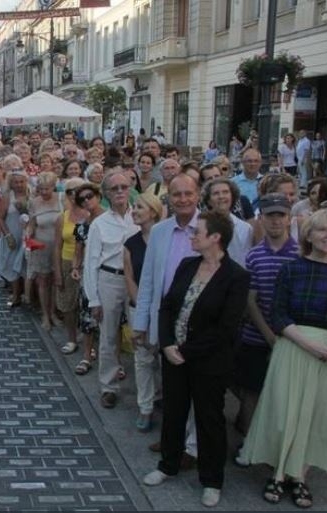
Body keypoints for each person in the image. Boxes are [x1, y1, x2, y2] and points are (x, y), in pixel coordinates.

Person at [142, 211, 250, 509]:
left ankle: (212, 479)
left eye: (197, 232)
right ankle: (168, 464)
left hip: (208, 362)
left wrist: (184, 351)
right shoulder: (188, 265)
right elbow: (167, 307)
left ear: (215, 238)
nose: (192, 236)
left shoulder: (236, 277)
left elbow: (226, 328)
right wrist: (166, 344)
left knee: (209, 419)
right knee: (174, 412)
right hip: (173, 355)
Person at [240, 208, 327, 508]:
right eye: (322, 230)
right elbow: (278, 314)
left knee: (314, 419)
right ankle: (278, 474)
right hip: (294, 348)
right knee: (285, 416)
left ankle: (299, 477)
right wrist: (311, 346)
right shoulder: (292, 268)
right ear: (308, 235)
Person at [132, 174, 203, 468]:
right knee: (171, 384)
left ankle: (193, 445)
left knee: (197, 385)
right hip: (166, 318)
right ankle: (172, 437)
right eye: (177, 195)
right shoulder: (160, 231)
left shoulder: (209, 228)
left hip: (200, 320)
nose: (183, 199)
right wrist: (141, 322)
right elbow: (148, 279)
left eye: (188, 194)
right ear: (168, 199)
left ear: (198, 195)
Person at [232, 194, 299, 438]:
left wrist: (283, 334)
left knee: (284, 395)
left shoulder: (299, 254)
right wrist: (268, 335)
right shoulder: (254, 255)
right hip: (256, 335)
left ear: (289, 219)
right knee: (251, 391)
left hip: (291, 337)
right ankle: (248, 443)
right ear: (261, 219)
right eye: (270, 215)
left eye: (280, 215)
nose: (275, 221)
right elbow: (250, 300)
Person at [82, 171, 139, 408]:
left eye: (123, 187)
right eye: (114, 188)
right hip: (110, 279)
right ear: (105, 193)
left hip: (136, 280)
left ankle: (147, 390)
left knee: (141, 335)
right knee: (108, 336)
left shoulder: (140, 216)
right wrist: (93, 299)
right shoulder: (99, 223)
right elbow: (90, 262)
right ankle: (109, 386)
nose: (119, 192)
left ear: (130, 189)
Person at [122, 192, 164, 432]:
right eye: (134, 207)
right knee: (142, 358)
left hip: (164, 307)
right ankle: (145, 407)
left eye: (139, 207)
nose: (134, 211)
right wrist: (142, 309)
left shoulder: (166, 239)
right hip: (138, 307)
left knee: (164, 357)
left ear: (154, 212)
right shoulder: (131, 243)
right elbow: (129, 276)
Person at [70, 183, 105, 376]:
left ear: (98, 196)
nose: (87, 201)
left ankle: (114, 362)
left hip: (108, 277)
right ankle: (86, 355)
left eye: (89, 196)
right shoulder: (83, 226)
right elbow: (78, 251)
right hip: (88, 277)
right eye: (82, 199)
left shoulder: (111, 220)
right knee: (87, 318)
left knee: (111, 321)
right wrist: (75, 268)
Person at [26, 172, 64, 330]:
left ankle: (53, 312)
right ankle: (45, 315)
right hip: (41, 245)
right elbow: (32, 224)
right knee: (43, 281)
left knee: (56, 280)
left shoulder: (61, 199)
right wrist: (28, 234)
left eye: (47, 189)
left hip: (58, 245)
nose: (43, 192)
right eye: (40, 189)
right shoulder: (34, 202)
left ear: (53, 187)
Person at [54, 177, 88, 355]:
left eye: (79, 190)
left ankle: (89, 341)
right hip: (67, 262)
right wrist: (58, 272)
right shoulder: (63, 217)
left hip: (87, 263)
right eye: (70, 191)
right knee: (68, 305)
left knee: (87, 305)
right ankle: (72, 338)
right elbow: (57, 246)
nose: (75, 194)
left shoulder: (92, 215)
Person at [0, 170, 29, 307]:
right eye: (16, 182)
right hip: (12, 233)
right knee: (11, 263)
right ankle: (15, 294)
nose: (19, 185)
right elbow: (0, 217)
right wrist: (7, 235)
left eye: (22, 182)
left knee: (26, 264)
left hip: (26, 234)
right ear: (11, 184)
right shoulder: (8, 196)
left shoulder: (31, 195)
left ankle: (27, 294)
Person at [200, 178, 254, 267]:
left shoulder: (245, 228)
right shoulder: (200, 227)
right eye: (216, 193)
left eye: (225, 192)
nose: (221, 196)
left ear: (232, 197)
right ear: (209, 200)